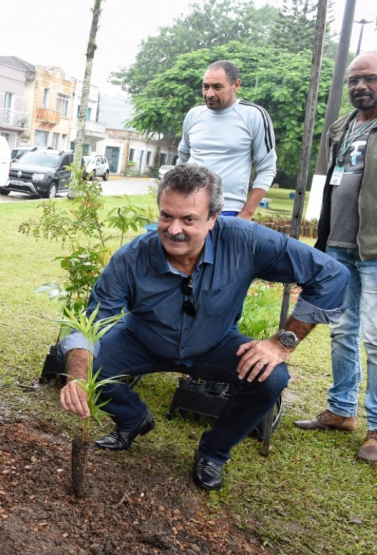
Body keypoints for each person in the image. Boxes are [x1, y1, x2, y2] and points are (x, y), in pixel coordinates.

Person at [57, 163, 348, 491]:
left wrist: (282, 342)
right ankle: (132, 418)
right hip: (142, 339)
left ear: (213, 218)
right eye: (166, 216)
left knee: (272, 378)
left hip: (215, 344)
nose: (174, 229)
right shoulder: (131, 258)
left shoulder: (245, 241)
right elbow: (89, 326)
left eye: (189, 219)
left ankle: (214, 452)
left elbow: (330, 274)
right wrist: (78, 379)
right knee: (75, 360)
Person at [294, 51, 377, 463]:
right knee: (342, 331)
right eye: (353, 80)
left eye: (370, 79)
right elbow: (326, 183)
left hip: (375, 250)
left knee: (375, 340)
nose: (360, 87)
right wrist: (320, 239)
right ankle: (342, 410)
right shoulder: (340, 128)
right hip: (339, 247)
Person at [177, 60, 277, 219]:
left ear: (236, 85)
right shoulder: (194, 115)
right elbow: (182, 162)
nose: (209, 93)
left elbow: (267, 168)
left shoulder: (253, 115)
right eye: (205, 86)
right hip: (189, 209)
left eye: (217, 87)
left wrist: (246, 214)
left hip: (227, 211)